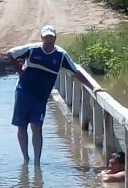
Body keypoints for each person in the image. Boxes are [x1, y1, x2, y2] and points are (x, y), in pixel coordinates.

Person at [7, 25, 102, 165]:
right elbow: (10, 54)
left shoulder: (60, 55)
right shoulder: (32, 49)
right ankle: (26, 159)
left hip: (41, 97)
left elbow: (75, 72)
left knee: (36, 127)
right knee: (22, 126)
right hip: (23, 92)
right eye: (46, 37)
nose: (49, 40)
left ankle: (37, 162)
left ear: (55, 38)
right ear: (41, 38)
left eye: (51, 37)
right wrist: (19, 70)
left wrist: (93, 87)